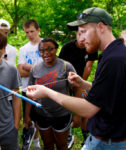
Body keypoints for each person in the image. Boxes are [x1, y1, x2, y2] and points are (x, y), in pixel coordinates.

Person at [26, 7, 126, 150]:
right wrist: (83, 83)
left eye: (84, 32)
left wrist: (46, 92)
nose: (80, 38)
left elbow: (88, 109)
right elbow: (108, 92)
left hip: (109, 142)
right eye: (79, 33)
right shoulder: (113, 53)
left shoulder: (114, 59)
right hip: (104, 137)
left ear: (100, 27)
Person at [26, 38, 81, 150]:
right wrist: (27, 115)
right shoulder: (35, 69)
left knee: (61, 145)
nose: (46, 53)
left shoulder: (66, 66)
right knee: (47, 144)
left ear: (56, 49)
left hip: (61, 114)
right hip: (42, 114)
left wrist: (77, 114)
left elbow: (77, 90)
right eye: (42, 50)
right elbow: (29, 94)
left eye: (50, 49)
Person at [59, 31, 98, 148]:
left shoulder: (91, 47)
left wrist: (80, 83)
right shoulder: (67, 47)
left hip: (81, 79)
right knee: (65, 105)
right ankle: (67, 133)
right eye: (79, 35)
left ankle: (86, 136)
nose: (82, 38)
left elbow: (89, 66)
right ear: (76, 34)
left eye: (84, 35)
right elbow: (61, 66)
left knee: (84, 104)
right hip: (65, 80)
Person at [18, 19, 42, 150]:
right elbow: (20, 72)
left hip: (44, 88)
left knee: (42, 117)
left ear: (38, 30)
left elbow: (50, 70)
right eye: (26, 32)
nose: (29, 35)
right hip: (27, 87)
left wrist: (29, 67)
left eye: (32, 31)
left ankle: (41, 141)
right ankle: (34, 142)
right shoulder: (23, 49)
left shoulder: (46, 45)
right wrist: (38, 70)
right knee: (29, 118)